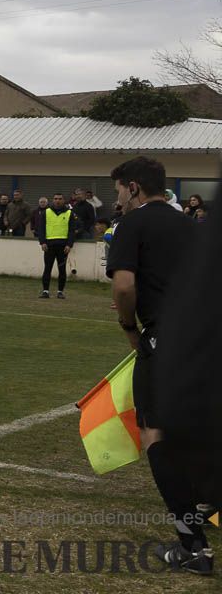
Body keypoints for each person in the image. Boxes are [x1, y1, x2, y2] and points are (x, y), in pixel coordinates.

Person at [106, 156, 212, 574]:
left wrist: (127, 324)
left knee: (155, 434)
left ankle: (194, 547)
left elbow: (124, 286)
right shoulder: (191, 224)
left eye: (117, 190)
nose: (116, 199)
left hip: (166, 338)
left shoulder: (132, 224)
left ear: (133, 187)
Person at [35, 193, 75, 299]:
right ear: (52, 200)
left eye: (60, 199)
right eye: (55, 199)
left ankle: (60, 291)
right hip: (49, 245)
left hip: (63, 246)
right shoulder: (45, 213)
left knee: (62, 269)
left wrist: (69, 244)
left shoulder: (69, 213)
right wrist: (42, 242)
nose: (57, 201)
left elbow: (72, 231)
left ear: (64, 200)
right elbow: (41, 229)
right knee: (47, 268)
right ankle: (45, 291)